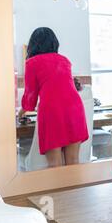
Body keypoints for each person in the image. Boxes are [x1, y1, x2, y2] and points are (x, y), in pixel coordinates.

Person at [18, 27, 89, 168]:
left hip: (52, 113)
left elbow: (30, 97)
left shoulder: (32, 63)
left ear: (33, 44)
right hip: (75, 110)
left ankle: (59, 191)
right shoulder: (64, 60)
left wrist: (19, 113)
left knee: (55, 164)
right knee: (74, 162)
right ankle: (74, 190)